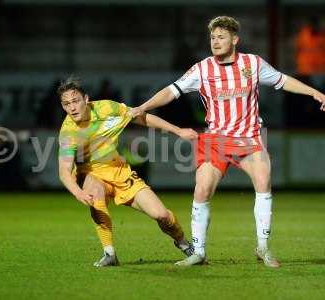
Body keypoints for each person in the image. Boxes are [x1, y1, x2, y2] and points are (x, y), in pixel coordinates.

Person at [131, 16, 325, 268]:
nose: (215, 42)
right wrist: (143, 106)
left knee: (264, 179)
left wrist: (314, 91)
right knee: (202, 190)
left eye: (221, 37)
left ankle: (263, 247)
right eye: (212, 38)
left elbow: (282, 80)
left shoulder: (252, 64)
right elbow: (171, 90)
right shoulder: (202, 69)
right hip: (216, 140)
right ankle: (198, 252)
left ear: (235, 40)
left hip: (248, 138)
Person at [57, 78, 197, 267]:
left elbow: (140, 116)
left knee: (161, 215)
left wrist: (177, 130)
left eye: (75, 101)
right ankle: (109, 253)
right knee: (94, 193)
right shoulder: (68, 133)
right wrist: (78, 192)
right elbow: (64, 170)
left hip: (120, 172)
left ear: (86, 99)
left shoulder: (107, 108)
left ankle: (183, 243)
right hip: (92, 174)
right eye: (66, 104)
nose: (72, 108)